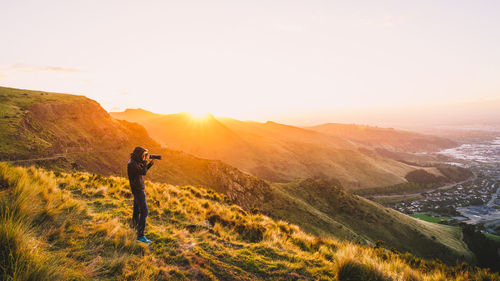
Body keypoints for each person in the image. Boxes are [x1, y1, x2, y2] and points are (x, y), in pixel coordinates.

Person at [127, 146, 155, 243]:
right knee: (144, 211)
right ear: (139, 154)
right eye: (143, 155)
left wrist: (150, 164)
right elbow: (143, 172)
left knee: (137, 210)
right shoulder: (132, 164)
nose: (144, 156)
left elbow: (142, 171)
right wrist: (145, 161)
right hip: (138, 190)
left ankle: (134, 227)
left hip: (137, 189)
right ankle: (140, 236)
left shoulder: (134, 161)